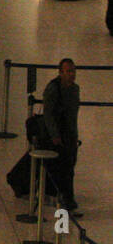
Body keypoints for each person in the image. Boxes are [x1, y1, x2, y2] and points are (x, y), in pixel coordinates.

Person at [41, 59, 81, 213]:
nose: (71, 74)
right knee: (64, 167)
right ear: (61, 72)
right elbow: (48, 114)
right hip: (57, 136)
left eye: (73, 71)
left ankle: (66, 197)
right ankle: (67, 198)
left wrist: (74, 134)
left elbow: (73, 115)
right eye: (68, 71)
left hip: (70, 135)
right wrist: (55, 135)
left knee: (70, 165)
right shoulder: (53, 89)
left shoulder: (75, 89)